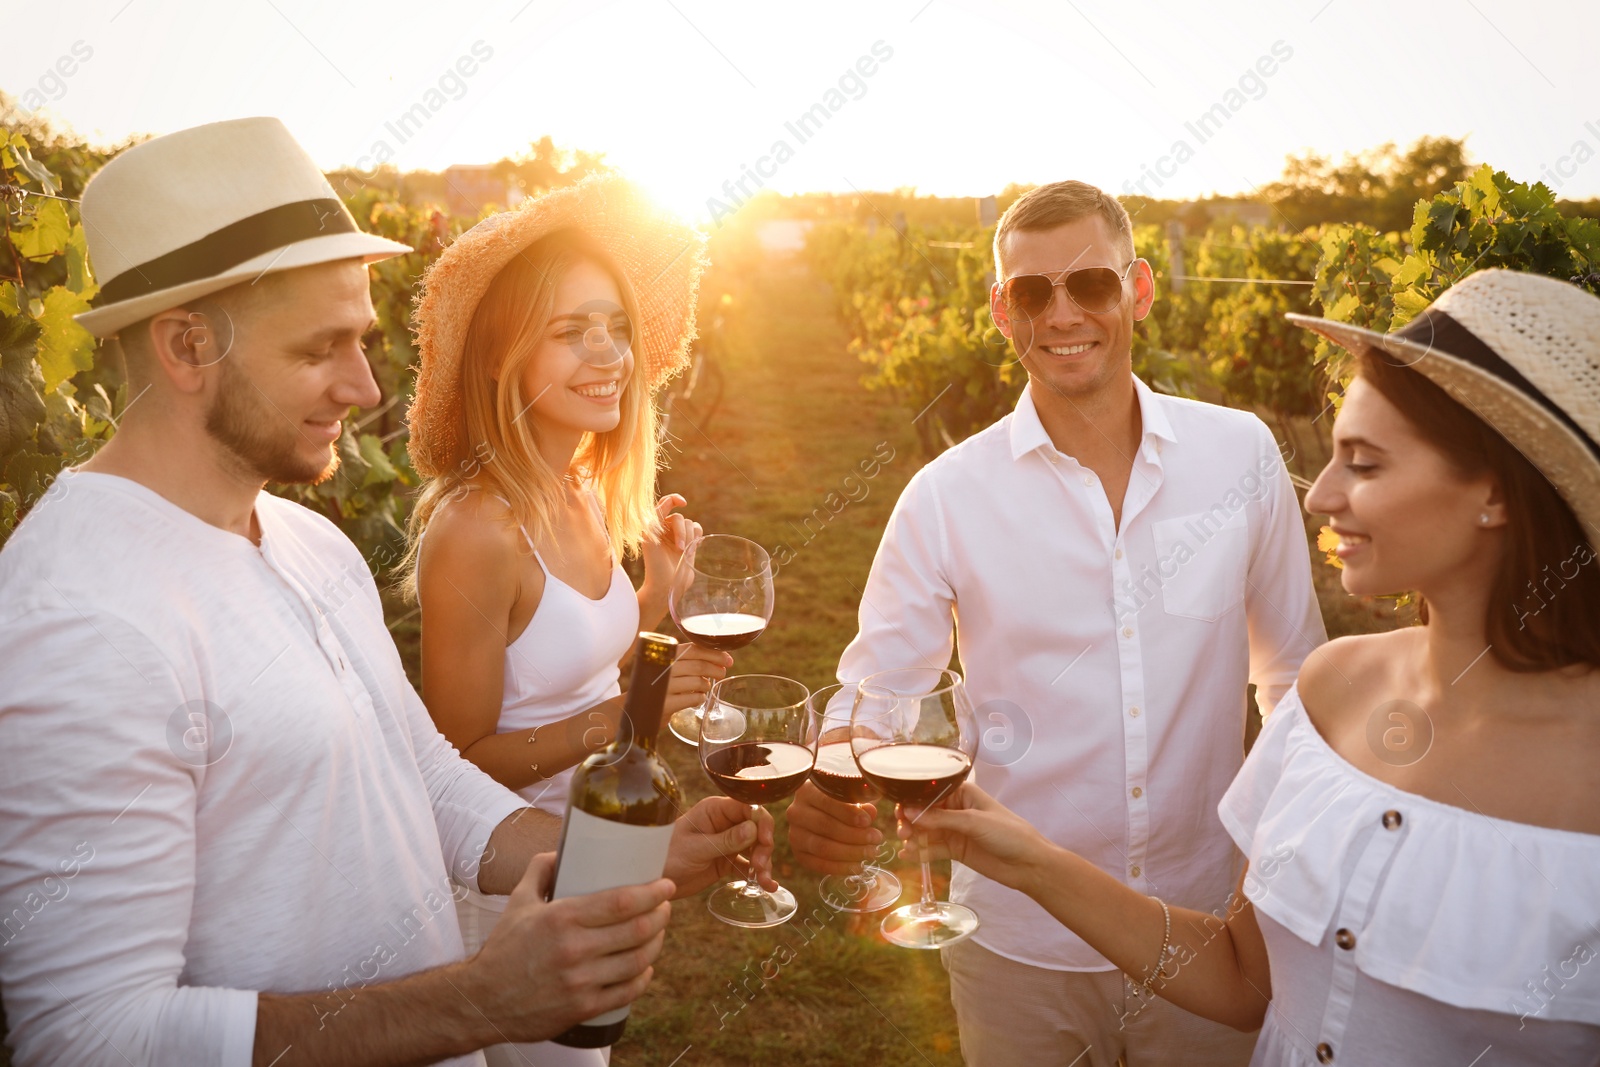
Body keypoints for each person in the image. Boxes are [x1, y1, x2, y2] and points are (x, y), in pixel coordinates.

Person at [0, 117, 770, 1067]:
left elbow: (428, 780)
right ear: (186, 346)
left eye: (363, 340)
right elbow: (89, 1041)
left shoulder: (307, 540)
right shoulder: (81, 618)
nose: (366, 387)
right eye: (321, 347)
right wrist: (477, 1003)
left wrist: (632, 858)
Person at [906, 268, 1600, 1065]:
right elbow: (1242, 978)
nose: (1319, 494)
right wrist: (1032, 859)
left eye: (1366, 463)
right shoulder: (1332, 694)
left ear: (1496, 492)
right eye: (1334, 454)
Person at [787, 180, 1325, 1065]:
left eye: (1092, 285)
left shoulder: (1242, 455)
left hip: (1205, 928)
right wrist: (836, 774)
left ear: (1139, 289)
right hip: (1014, 938)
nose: (1063, 312)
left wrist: (1284, 863)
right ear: (1002, 309)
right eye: (1033, 291)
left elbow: (1293, 679)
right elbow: (878, 691)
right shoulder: (944, 498)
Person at [401, 177, 740, 1066]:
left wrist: (659, 598)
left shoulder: (579, 485)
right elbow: (457, 761)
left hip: (595, 858)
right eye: (569, 331)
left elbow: (580, 667)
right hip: (515, 890)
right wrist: (627, 717)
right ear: (502, 358)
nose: (610, 354)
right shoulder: (476, 529)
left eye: (617, 325)